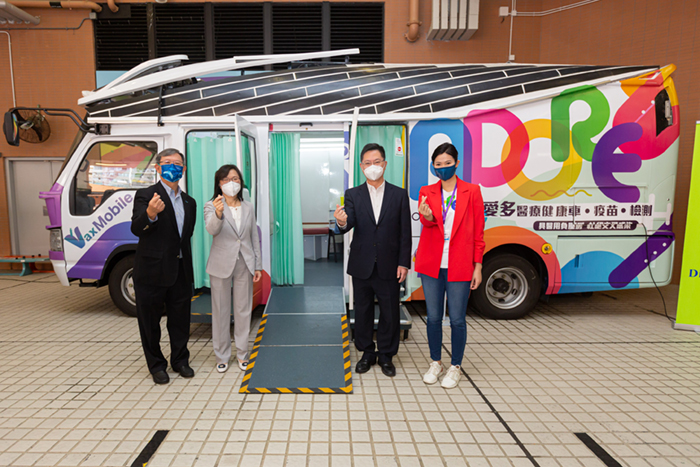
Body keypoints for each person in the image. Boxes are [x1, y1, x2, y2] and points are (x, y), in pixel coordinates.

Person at [334, 143, 412, 377]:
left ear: (385, 164)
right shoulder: (353, 194)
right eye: (367, 163)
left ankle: (386, 355)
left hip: (390, 264)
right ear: (361, 167)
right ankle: (367, 353)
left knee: (390, 312)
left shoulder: (398, 194)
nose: (372, 167)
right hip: (362, 263)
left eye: (376, 162)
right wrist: (340, 222)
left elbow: (404, 232)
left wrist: (404, 262)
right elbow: (348, 224)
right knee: (364, 310)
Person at [415, 142, 485, 389]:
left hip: (460, 264)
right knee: (433, 317)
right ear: (433, 167)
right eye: (438, 164)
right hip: (432, 264)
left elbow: (478, 232)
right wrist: (430, 217)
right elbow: (427, 222)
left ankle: (455, 366)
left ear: (456, 163)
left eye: (447, 163)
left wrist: (478, 266)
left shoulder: (472, 191)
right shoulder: (427, 191)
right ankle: (436, 362)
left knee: (457, 319)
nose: (442, 167)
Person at [131, 148, 197, 385]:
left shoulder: (190, 202)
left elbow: (185, 238)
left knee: (180, 321)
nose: (172, 167)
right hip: (151, 272)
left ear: (184, 169)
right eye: (167, 162)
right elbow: (137, 229)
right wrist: (150, 213)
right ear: (158, 167)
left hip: (180, 272)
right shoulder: (146, 195)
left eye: (177, 163)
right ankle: (156, 365)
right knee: (150, 322)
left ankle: (180, 360)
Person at [204, 164, 262, 373]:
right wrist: (218, 214)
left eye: (235, 179)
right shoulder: (211, 205)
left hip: (244, 264)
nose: (231, 183)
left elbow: (253, 237)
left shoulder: (248, 206)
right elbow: (212, 230)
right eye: (226, 179)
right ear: (219, 183)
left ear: (241, 182)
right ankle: (221, 355)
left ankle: (242, 354)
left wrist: (257, 265)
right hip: (220, 264)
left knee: (243, 311)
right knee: (220, 311)